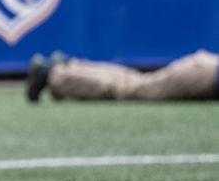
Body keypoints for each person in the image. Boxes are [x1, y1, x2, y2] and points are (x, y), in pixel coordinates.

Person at [26, 50, 219, 102]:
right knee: (133, 88)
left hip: (205, 69)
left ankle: (68, 67)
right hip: (205, 76)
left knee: (134, 82)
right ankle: (55, 74)